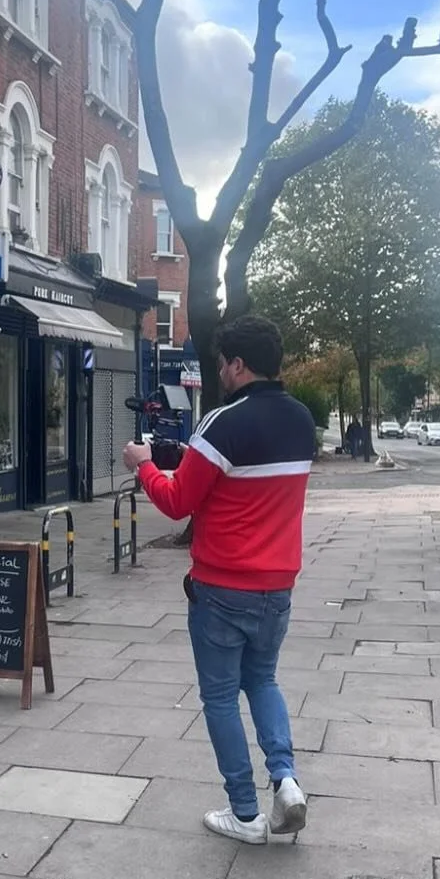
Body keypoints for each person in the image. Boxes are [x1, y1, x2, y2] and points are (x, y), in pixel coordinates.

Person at [122, 315, 315, 845]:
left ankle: (246, 813)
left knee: (222, 697)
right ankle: (286, 780)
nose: (221, 374)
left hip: (223, 588)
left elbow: (176, 500)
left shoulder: (222, 422)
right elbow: (250, 483)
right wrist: (190, 462)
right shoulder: (302, 421)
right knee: (264, 680)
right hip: (278, 587)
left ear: (237, 364)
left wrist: (144, 465)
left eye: (225, 365)